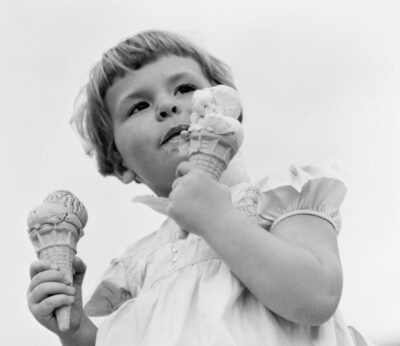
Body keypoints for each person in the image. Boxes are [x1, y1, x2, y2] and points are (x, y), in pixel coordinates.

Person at [27, 30, 367, 346]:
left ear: (228, 108)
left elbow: (316, 297)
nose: (167, 105)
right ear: (120, 161)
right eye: (138, 106)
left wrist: (217, 219)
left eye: (185, 89)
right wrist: (77, 332)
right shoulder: (135, 268)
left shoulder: (277, 197)